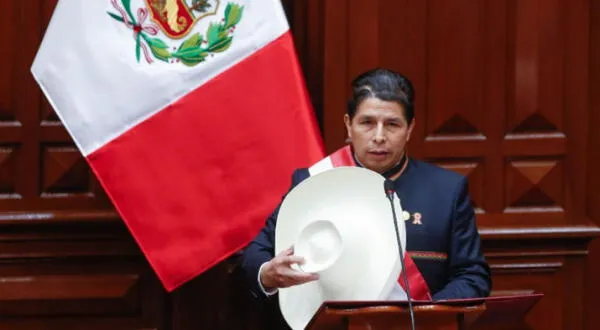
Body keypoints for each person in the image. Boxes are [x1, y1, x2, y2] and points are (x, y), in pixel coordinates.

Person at [240, 68, 491, 327]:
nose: (379, 136)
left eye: (392, 124)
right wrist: (268, 275)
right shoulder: (314, 181)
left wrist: (426, 317)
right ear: (349, 124)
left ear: (410, 128)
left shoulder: (446, 190)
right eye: (367, 123)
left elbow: (472, 276)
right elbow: (256, 255)